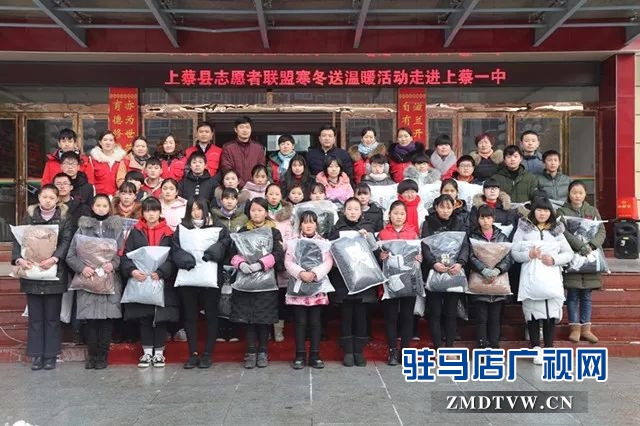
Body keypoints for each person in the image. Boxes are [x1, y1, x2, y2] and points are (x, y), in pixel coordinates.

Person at [11, 184, 72, 370]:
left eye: (52, 198)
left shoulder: (64, 217)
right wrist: (19, 259)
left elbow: (66, 240)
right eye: (44, 197)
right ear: (39, 198)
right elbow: (18, 240)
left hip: (54, 272)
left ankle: (51, 355)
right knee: (35, 317)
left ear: (57, 200)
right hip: (32, 272)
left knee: (52, 318)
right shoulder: (29, 216)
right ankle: (36, 355)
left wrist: (54, 258)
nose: (47, 201)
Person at [511, 196, 573, 364]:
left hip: (551, 277)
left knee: (550, 314)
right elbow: (514, 252)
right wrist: (529, 255)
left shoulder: (556, 230)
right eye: (539, 210)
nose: (542, 214)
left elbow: (568, 253)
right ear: (533, 211)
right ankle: (535, 347)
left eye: (546, 210)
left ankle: (549, 347)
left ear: (550, 212)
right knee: (532, 314)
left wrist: (554, 259)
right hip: (531, 277)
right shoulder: (523, 229)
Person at [65, 195, 124, 369]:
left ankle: (103, 357)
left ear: (109, 208)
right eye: (98, 205)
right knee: (90, 321)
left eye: (104, 205)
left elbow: (121, 254)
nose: (101, 208)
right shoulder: (82, 228)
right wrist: (82, 268)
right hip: (88, 279)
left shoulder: (116, 228)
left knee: (106, 321)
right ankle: (92, 356)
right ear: (92, 207)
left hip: (109, 279)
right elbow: (70, 255)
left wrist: (113, 264)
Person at [172, 198, 230, 369]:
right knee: (190, 316)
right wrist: (186, 260)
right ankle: (193, 354)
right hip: (188, 276)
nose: (196, 213)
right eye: (193, 209)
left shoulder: (217, 227)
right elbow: (175, 248)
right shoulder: (182, 228)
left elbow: (226, 245)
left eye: (199, 209)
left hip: (211, 277)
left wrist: (213, 252)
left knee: (211, 314)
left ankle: (207, 354)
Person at [120, 197, 178, 369]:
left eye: (154, 210)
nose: (151, 214)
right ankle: (146, 352)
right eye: (147, 210)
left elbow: (173, 257)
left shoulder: (169, 233)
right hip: (141, 279)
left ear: (160, 212)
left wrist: (161, 272)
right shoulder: (136, 231)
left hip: (162, 281)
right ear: (143, 213)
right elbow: (126, 255)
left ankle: (159, 353)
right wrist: (132, 270)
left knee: (160, 318)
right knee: (144, 317)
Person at [230, 197, 285, 369]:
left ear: (266, 212)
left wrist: (260, 264)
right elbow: (233, 252)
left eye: (260, 210)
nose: (256, 213)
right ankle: (251, 351)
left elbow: (278, 253)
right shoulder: (243, 230)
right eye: (253, 210)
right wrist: (241, 263)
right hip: (246, 282)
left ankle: (263, 351)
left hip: (266, 282)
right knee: (249, 319)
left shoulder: (273, 231)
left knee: (263, 319)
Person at [328, 197, 378, 367]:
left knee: (361, 315)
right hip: (343, 279)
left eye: (356, 209)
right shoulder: (336, 229)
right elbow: (331, 252)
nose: (352, 212)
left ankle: (359, 350)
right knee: (346, 314)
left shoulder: (367, 228)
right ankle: (348, 351)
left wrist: (368, 238)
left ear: (361, 212)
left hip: (363, 277)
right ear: (344, 211)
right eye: (349, 209)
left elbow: (376, 252)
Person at [557, 180, 606, 344]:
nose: (577, 196)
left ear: (585, 194)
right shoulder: (562, 211)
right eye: (574, 192)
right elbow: (563, 232)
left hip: (590, 257)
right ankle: (574, 328)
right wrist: (580, 246)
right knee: (572, 294)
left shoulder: (592, 210)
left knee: (586, 295)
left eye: (580, 193)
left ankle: (586, 328)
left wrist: (591, 245)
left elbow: (601, 230)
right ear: (569, 194)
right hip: (572, 257)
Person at [285, 210, 334, 369]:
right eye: (305, 222)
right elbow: (288, 261)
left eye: (311, 222)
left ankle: (315, 354)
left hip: (317, 286)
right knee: (300, 322)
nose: (308, 225)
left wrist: (314, 273)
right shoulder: (294, 241)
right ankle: (299, 355)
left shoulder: (323, 242)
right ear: (300, 224)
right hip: (298, 286)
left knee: (315, 322)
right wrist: (300, 273)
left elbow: (328, 262)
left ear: (316, 224)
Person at [420, 194, 468, 351]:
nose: (445, 210)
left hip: (453, 271)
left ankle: (449, 348)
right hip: (434, 271)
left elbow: (465, 245)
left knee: (451, 312)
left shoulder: (459, 222)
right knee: (434, 312)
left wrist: (460, 263)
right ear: (436, 207)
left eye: (449, 207)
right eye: (442, 207)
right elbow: (425, 246)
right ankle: (437, 347)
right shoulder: (428, 223)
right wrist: (433, 263)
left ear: (453, 207)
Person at [377, 200, 421, 365]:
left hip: (409, 279)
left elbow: (418, 253)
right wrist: (380, 257)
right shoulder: (382, 234)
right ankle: (392, 351)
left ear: (406, 215)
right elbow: (376, 256)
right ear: (389, 215)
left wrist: (419, 257)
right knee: (391, 317)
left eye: (402, 213)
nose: (398, 216)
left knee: (407, 316)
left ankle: (405, 350)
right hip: (389, 281)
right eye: (395, 213)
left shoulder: (412, 233)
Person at [467, 205, 513, 349]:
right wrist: (483, 270)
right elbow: (470, 256)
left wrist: (498, 270)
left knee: (495, 318)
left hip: (498, 282)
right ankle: (481, 346)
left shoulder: (501, 236)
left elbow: (508, 258)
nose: (485, 221)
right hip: (480, 281)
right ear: (478, 219)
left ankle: (494, 345)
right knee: (481, 318)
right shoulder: (473, 236)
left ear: (493, 218)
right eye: (482, 217)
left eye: (488, 217)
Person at [265, 183, 295, 342]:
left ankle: (278, 329)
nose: (273, 197)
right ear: (266, 196)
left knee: (280, 297)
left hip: (283, 258)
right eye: (270, 194)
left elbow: (292, 236)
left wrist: (282, 246)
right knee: (267, 297)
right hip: (265, 259)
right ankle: (267, 329)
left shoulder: (288, 215)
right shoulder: (261, 211)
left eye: (277, 194)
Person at [220, 116, 266, 187]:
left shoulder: (258, 148)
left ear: (251, 129)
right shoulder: (228, 148)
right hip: (234, 187)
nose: (245, 130)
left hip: (254, 188)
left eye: (247, 127)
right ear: (235, 129)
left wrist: (251, 184)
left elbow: (261, 169)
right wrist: (241, 184)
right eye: (241, 127)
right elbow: (226, 168)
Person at [89, 130, 127, 196]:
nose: (108, 143)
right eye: (105, 140)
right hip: (99, 196)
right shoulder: (93, 160)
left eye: (111, 140)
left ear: (114, 143)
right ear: (100, 142)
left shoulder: (121, 160)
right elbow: (91, 181)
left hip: (117, 196)